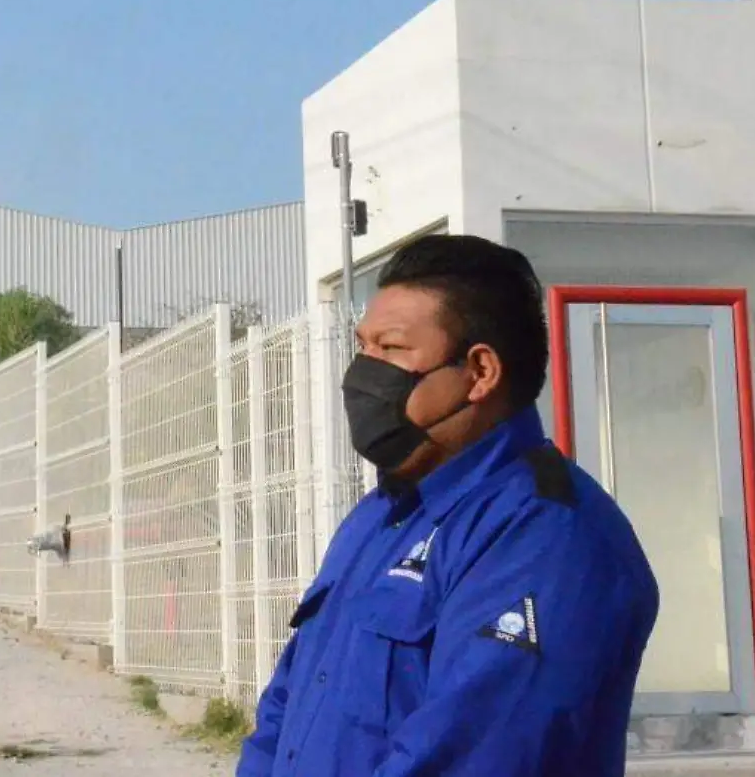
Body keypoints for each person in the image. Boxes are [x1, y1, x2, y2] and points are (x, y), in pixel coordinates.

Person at [239, 234, 659, 777]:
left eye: (390, 349)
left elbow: (473, 752)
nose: (363, 373)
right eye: (361, 346)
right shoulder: (381, 514)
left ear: (480, 372)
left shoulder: (547, 534)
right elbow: (286, 710)